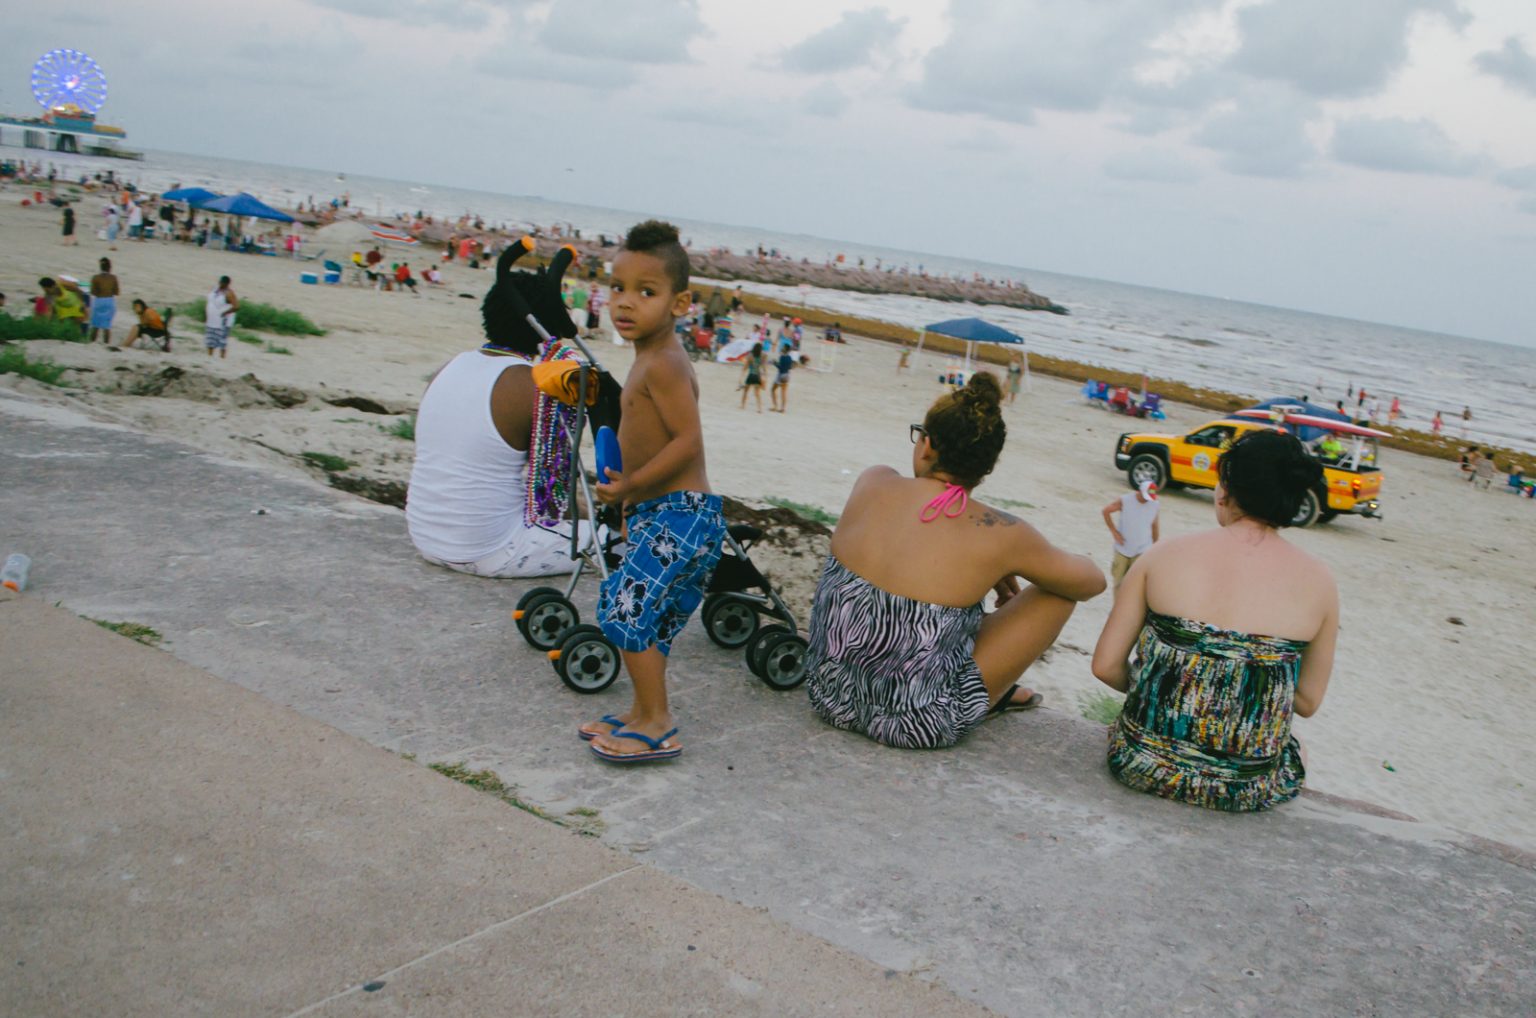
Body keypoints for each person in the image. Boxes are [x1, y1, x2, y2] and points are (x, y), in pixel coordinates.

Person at [803, 373, 1104, 749]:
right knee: (1058, 594)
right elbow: (1092, 583)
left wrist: (998, 565)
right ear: (987, 466)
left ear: (927, 445)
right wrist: (1009, 562)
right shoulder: (1001, 533)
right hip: (918, 725)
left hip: (828, 695)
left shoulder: (873, 480)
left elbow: (912, 545)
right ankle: (992, 693)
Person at [1091, 430, 1338, 812]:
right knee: (1298, 749)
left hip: (1140, 763)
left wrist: (1169, 690)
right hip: (1245, 788)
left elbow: (1106, 666)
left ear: (1226, 491)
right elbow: (1306, 702)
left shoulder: (1161, 555)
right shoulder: (1321, 582)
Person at [582, 220, 725, 764]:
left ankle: (658, 722)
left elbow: (688, 441)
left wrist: (632, 485)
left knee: (624, 608)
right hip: (662, 514)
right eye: (617, 287)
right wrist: (631, 503)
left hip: (681, 514)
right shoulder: (647, 357)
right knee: (651, 621)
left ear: (680, 303)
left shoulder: (664, 363)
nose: (625, 302)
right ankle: (643, 712)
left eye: (646, 292)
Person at [406, 249, 598, 581]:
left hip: (425, 536)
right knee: (619, 542)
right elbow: (553, 493)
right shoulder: (532, 384)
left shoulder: (448, 367)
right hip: (487, 550)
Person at [1102, 480, 1160, 590]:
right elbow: (1106, 511)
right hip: (1123, 548)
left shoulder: (1155, 504)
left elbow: (1155, 526)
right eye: (1146, 496)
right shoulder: (1125, 500)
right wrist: (1114, 532)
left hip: (1142, 550)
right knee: (1118, 583)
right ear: (1140, 491)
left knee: (1135, 585)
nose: (1147, 500)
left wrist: (1155, 547)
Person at [205, 276, 238, 359]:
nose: (220, 284)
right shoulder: (215, 290)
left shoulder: (229, 293)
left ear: (227, 284)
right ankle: (209, 356)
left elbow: (236, 307)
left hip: (223, 321)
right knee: (210, 338)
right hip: (212, 320)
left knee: (222, 340)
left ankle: (222, 357)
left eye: (222, 283)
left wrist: (225, 313)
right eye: (220, 282)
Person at [88, 257, 120, 345]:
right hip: (109, 301)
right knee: (107, 325)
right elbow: (117, 292)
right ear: (110, 267)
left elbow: (93, 292)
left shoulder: (95, 278)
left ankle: (91, 342)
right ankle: (106, 344)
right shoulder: (113, 278)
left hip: (99, 301)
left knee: (95, 324)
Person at [739, 341, 765, 412]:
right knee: (757, 393)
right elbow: (763, 367)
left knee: (746, 391)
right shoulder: (761, 356)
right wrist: (764, 376)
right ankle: (759, 408)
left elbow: (746, 366)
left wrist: (742, 375)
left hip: (751, 375)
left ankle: (743, 405)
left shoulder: (750, 356)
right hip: (757, 375)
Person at [770, 344, 795, 413]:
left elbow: (780, 368)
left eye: (783, 347)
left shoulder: (782, 357)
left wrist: (774, 363)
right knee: (783, 393)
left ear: (785, 349)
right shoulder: (789, 358)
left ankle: (775, 406)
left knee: (773, 390)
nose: (782, 348)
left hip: (780, 375)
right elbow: (790, 367)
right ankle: (783, 408)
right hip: (787, 375)